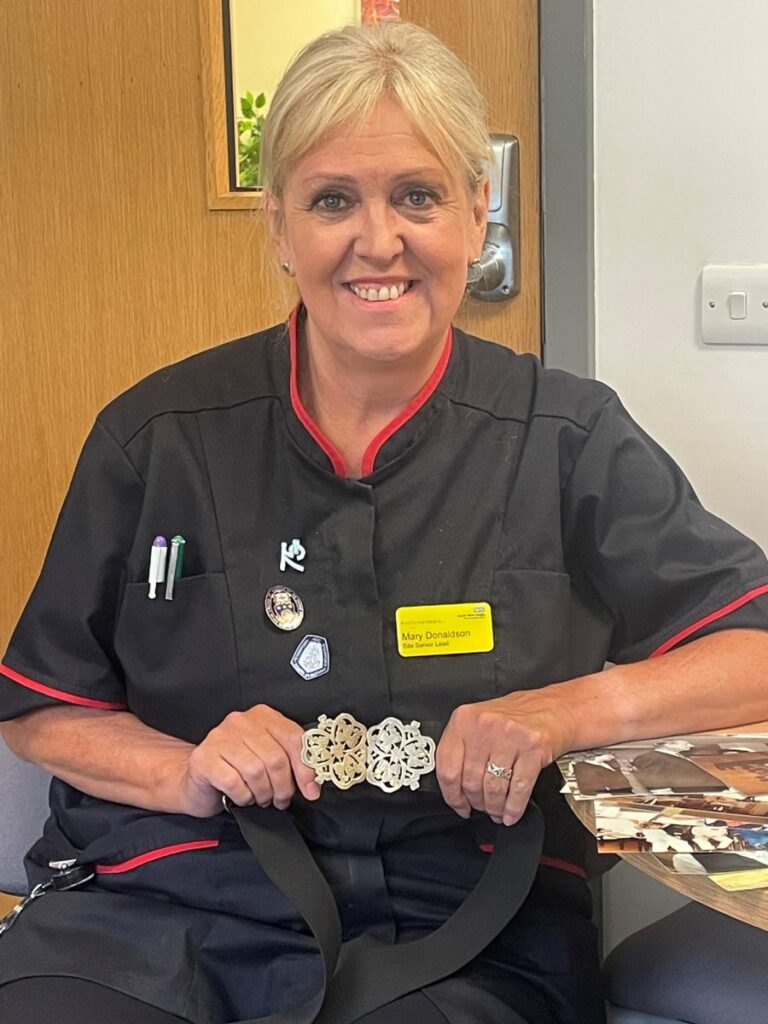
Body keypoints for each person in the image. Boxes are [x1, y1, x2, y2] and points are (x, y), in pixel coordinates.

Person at [1, 21, 768, 1024]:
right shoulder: (156, 438)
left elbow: (749, 650)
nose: (378, 241)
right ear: (279, 226)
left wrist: (560, 712)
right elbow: (42, 705)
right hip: (160, 905)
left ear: (476, 210)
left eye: (417, 195)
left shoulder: (568, 436)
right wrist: (184, 769)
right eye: (332, 201)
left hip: (462, 924)